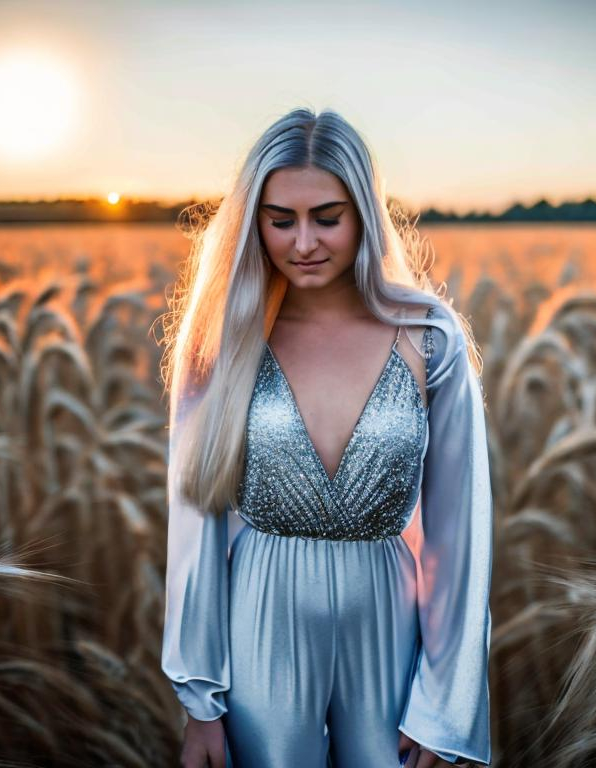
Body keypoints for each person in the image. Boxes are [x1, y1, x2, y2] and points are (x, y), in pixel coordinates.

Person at [159, 107, 493, 768]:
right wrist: (201, 702)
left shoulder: (432, 337)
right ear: (253, 220)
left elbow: (459, 537)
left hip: (389, 613)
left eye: (328, 217)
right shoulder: (224, 339)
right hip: (261, 611)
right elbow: (195, 521)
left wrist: (444, 709)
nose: (304, 241)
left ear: (365, 212)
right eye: (281, 219)